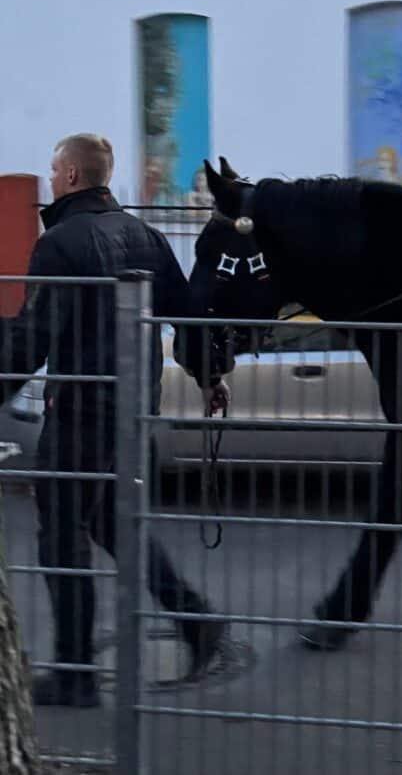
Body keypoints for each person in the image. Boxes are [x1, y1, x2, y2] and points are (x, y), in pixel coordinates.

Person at [0, 134, 226, 707]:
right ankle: (197, 620)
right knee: (112, 525)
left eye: (54, 171)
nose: (49, 180)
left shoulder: (60, 243)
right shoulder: (145, 236)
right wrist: (208, 376)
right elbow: (186, 317)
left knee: (63, 536)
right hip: (133, 409)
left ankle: (76, 675)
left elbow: (31, 340)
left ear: (73, 176)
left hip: (79, 411)